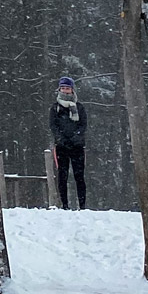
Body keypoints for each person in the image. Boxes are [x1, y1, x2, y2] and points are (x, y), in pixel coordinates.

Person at [51, 74, 88, 210]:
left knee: (79, 176)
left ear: (72, 90)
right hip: (61, 147)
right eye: (63, 88)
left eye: (67, 88)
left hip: (77, 146)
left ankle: (82, 205)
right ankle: (64, 205)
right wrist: (61, 139)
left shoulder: (79, 107)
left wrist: (76, 138)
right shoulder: (55, 108)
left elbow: (83, 125)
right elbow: (53, 125)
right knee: (62, 175)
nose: (65, 90)